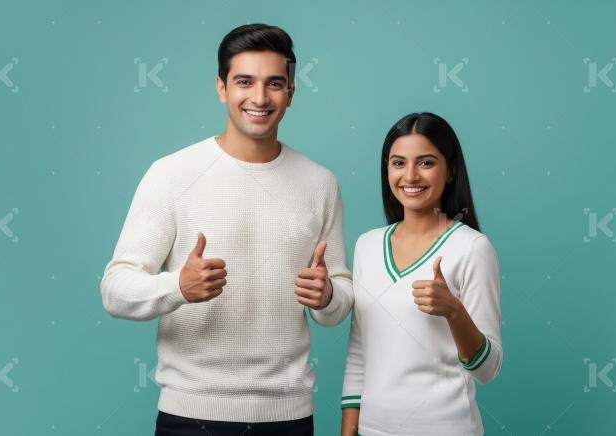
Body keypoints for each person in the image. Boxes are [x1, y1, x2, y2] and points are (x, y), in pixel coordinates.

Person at [100, 23, 353, 436]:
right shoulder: (171, 174)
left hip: (289, 416)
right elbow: (115, 290)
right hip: (190, 416)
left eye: (274, 83)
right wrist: (177, 287)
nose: (260, 97)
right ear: (221, 88)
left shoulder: (320, 183)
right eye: (244, 81)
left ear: (291, 92)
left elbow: (340, 297)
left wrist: (327, 296)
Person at [340, 112, 502, 436]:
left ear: (451, 170)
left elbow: (487, 369)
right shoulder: (367, 245)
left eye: (426, 163)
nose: (410, 176)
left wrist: (453, 310)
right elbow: (360, 351)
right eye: (398, 163)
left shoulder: (472, 248)